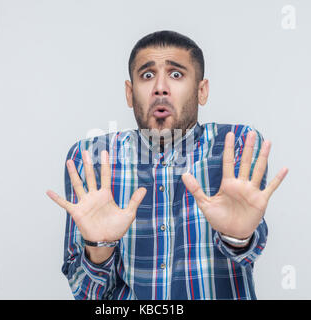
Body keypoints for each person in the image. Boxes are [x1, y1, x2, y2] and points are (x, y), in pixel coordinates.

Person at [46, 30, 288, 300]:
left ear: (201, 91)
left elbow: (248, 255)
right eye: (147, 75)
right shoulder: (90, 158)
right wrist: (99, 247)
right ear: (129, 93)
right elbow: (86, 293)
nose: (160, 87)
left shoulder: (237, 145)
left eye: (176, 74)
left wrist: (238, 237)